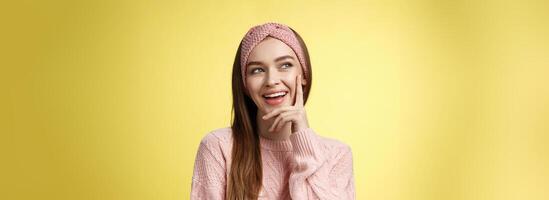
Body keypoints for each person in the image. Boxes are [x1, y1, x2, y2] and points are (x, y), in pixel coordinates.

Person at [191, 22, 355, 200]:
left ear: (304, 76)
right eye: (257, 70)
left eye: (285, 65)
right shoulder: (218, 147)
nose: (271, 80)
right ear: (245, 85)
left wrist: (304, 139)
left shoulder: (337, 155)